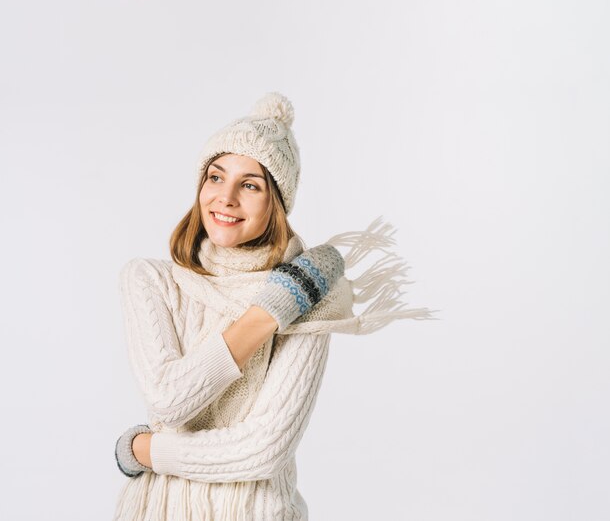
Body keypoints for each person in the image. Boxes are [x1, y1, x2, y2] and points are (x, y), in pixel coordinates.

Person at [112, 92, 436, 520]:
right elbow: (172, 400)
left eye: (250, 185)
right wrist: (272, 311)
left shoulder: (309, 298)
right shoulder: (150, 279)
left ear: (277, 202)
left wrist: (143, 450)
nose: (225, 198)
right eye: (215, 177)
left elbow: (262, 450)